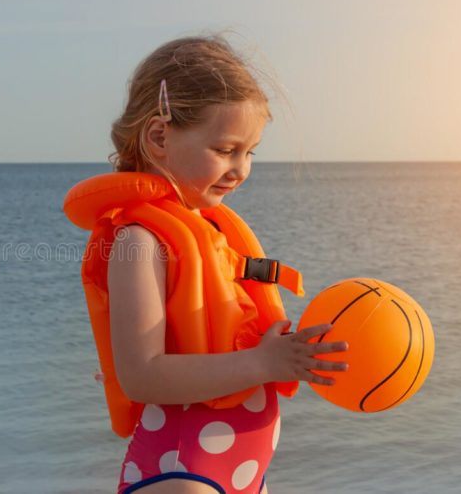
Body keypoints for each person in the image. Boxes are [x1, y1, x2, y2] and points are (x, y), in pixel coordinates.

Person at [64, 34, 350, 493]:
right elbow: (142, 375)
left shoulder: (214, 235)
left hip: (239, 471)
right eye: (225, 150)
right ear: (160, 137)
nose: (241, 168)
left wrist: (284, 350)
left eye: (250, 152)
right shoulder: (139, 242)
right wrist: (262, 363)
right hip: (180, 471)